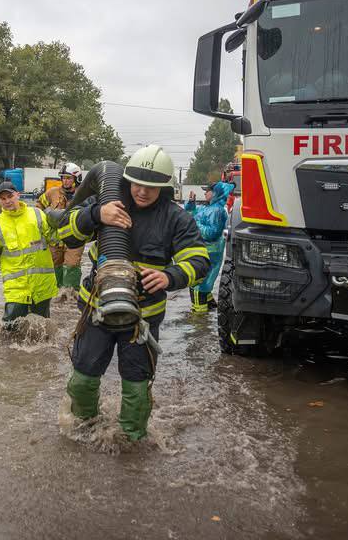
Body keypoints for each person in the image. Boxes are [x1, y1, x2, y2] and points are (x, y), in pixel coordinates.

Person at [57, 146, 210, 441]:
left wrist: (170, 276)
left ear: (164, 187)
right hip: (97, 311)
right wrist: (96, 214)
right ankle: (83, 429)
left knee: (137, 389)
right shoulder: (107, 201)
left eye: (151, 187)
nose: (142, 191)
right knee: (83, 380)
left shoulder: (176, 218)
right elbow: (64, 231)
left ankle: (131, 441)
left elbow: (200, 261)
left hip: (142, 320)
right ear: (126, 179)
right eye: (137, 183)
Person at [0, 181, 58, 329]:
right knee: (8, 329)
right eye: (3, 198)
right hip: (16, 289)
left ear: (18, 195)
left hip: (42, 285)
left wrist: (62, 222)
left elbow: (55, 239)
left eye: (10, 196)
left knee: (42, 329)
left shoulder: (37, 215)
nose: (7, 201)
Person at [185, 181, 234, 313]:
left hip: (207, 254)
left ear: (216, 193)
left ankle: (199, 324)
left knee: (197, 287)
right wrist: (190, 203)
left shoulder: (217, 211)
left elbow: (211, 233)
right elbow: (191, 213)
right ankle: (209, 314)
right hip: (203, 252)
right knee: (203, 286)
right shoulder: (209, 208)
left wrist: (194, 223)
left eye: (208, 190)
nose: (205, 193)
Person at [36, 162, 85, 290]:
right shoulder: (52, 193)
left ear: (77, 179)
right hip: (54, 241)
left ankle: (70, 297)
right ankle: (55, 295)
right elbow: (38, 207)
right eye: (63, 178)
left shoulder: (84, 195)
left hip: (74, 241)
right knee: (54, 269)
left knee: (72, 266)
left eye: (68, 178)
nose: (65, 181)